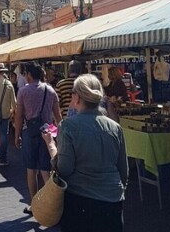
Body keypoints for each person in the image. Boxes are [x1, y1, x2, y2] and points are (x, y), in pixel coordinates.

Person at [42, 74, 128, 232]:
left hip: (81, 201)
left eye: (73, 92)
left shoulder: (68, 126)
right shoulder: (115, 127)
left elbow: (65, 169)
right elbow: (123, 169)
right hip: (113, 200)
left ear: (78, 97)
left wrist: (51, 145)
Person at [14, 63, 62, 215]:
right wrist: (60, 134)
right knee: (46, 170)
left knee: (31, 169)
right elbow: (58, 116)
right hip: (47, 133)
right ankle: (51, 205)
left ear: (28, 74)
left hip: (29, 132)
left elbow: (19, 116)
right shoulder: (50, 90)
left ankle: (34, 204)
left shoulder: (23, 91)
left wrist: (16, 136)